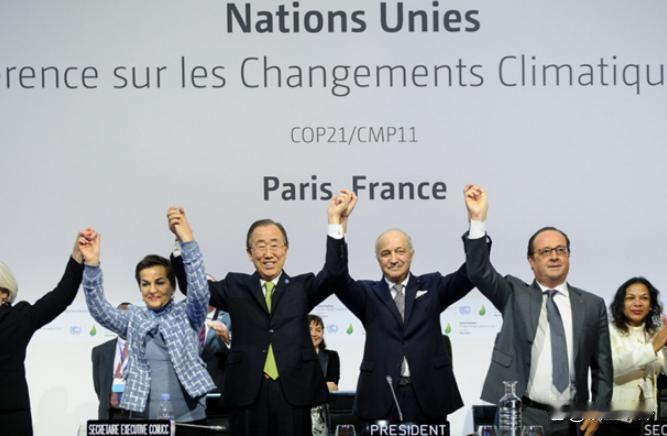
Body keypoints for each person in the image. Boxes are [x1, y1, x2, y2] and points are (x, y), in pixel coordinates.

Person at [173, 190, 353, 436]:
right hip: (247, 392)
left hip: (294, 392)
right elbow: (192, 288)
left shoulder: (301, 287)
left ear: (286, 249)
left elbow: (334, 273)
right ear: (250, 253)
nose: (268, 253)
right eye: (260, 246)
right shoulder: (235, 286)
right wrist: (183, 242)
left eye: (275, 245)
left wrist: (334, 222)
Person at [462, 184, 612, 436]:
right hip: (523, 414)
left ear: (569, 256)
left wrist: (599, 408)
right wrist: (477, 221)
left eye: (560, 250)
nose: (554, 256)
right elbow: (478, 272)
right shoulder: (514, 294)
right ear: (531, 261)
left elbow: (603, 367)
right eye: (545, 252)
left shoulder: (592, 305)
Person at [334, 192, 475, 425]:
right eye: (385, 253)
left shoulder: (432, 286)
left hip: (429, 396)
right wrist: (338, 227)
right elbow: (337, 277)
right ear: (378, 259)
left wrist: (476, 224)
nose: (393, 259)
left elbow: (471, 273)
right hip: (381, 396)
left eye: (400, 251)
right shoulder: (367, 294)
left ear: (411, 254)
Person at [81, 208, 215, 435]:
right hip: (144, 421)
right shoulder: (134, 318)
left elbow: (200, 290)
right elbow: (99, 310)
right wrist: (92, 266)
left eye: (160, 282)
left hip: (190, 420)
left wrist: (188, 242)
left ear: (172, 286)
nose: (152, 290)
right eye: (145, 284)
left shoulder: (187, 313)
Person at [0, 229, 90, 436]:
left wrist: (77, 257)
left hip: (8, 419)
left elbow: (61, 296)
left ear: (4, 292)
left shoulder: (16, 319)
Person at [605, 277, 667, 432]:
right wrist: (652, 348)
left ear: (651, 305)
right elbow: (609, 368)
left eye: (644, 298)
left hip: (649, 420)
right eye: (630, 298)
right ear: (621, 304)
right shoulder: (607, 331)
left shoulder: (656, 333)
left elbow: (663, 371)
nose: (637, 303)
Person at [91, 302, 131, 420]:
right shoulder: (100, 352)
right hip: (110, 416)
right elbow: (99, 388)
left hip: (138, 417)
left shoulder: (148, 350)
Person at [308, 314, 340, 436]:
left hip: (322, 416)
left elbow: (333, 386)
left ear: (322, 333)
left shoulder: (332, 356)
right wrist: (322, 385)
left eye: (318, 330)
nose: (314, 334)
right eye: (309, 329)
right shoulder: (293, 356)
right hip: (297, 414)